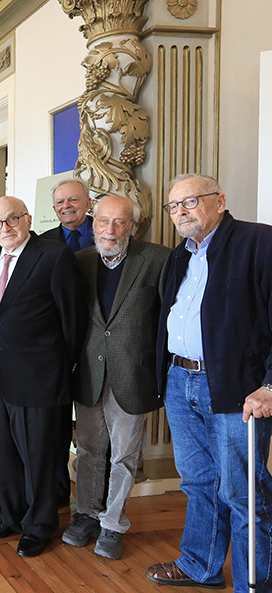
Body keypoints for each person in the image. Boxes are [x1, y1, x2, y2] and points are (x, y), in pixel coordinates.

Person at [147, 174, 272, 592]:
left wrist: (270, 386)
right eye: (173, 206)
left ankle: (253, 583)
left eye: (190, 201)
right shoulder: (179, 256)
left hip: (237, 388)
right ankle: (200, 565)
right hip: (181, 381)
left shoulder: (260, 243)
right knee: (198, 481)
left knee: (242, 490)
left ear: (219, 200)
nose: (180, 211)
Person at [61, 195, 170, 560]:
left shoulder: (157, 259)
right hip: (89, 372)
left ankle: (112, 524)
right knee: (90, 450)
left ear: (133, 226)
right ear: (93, 224)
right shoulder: (79, 262)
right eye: (104, 221)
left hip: (133, 374)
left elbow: (166, 323)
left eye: (120, 222)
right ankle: (88, 515)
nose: (110, 230)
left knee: (124, 455)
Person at [0, 196, 85, 557]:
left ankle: (39, 525)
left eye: (12, 219)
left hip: (39, 378)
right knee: (3, 454)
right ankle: (11, 515)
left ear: (26, 219)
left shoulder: (52, 256)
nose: (4, 228)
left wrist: (60, 368)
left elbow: (73, 321)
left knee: (39, 458)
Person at [40, 177, 94, 505]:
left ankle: (92, 499)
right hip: (56, 348)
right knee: (57, 424)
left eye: (72, 200)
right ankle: (59, 491)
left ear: (88, 202)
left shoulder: (105, 234)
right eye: (60, 202)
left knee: (92, 426)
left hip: (96, 344)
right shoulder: (44, 242)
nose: (66, 207)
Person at [41, 177, 94, 250]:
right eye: (60, 202)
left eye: (73, 200)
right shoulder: (42, 242)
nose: (66, 205)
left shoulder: (108, 232)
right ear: (55, 209)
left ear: (87, 204)